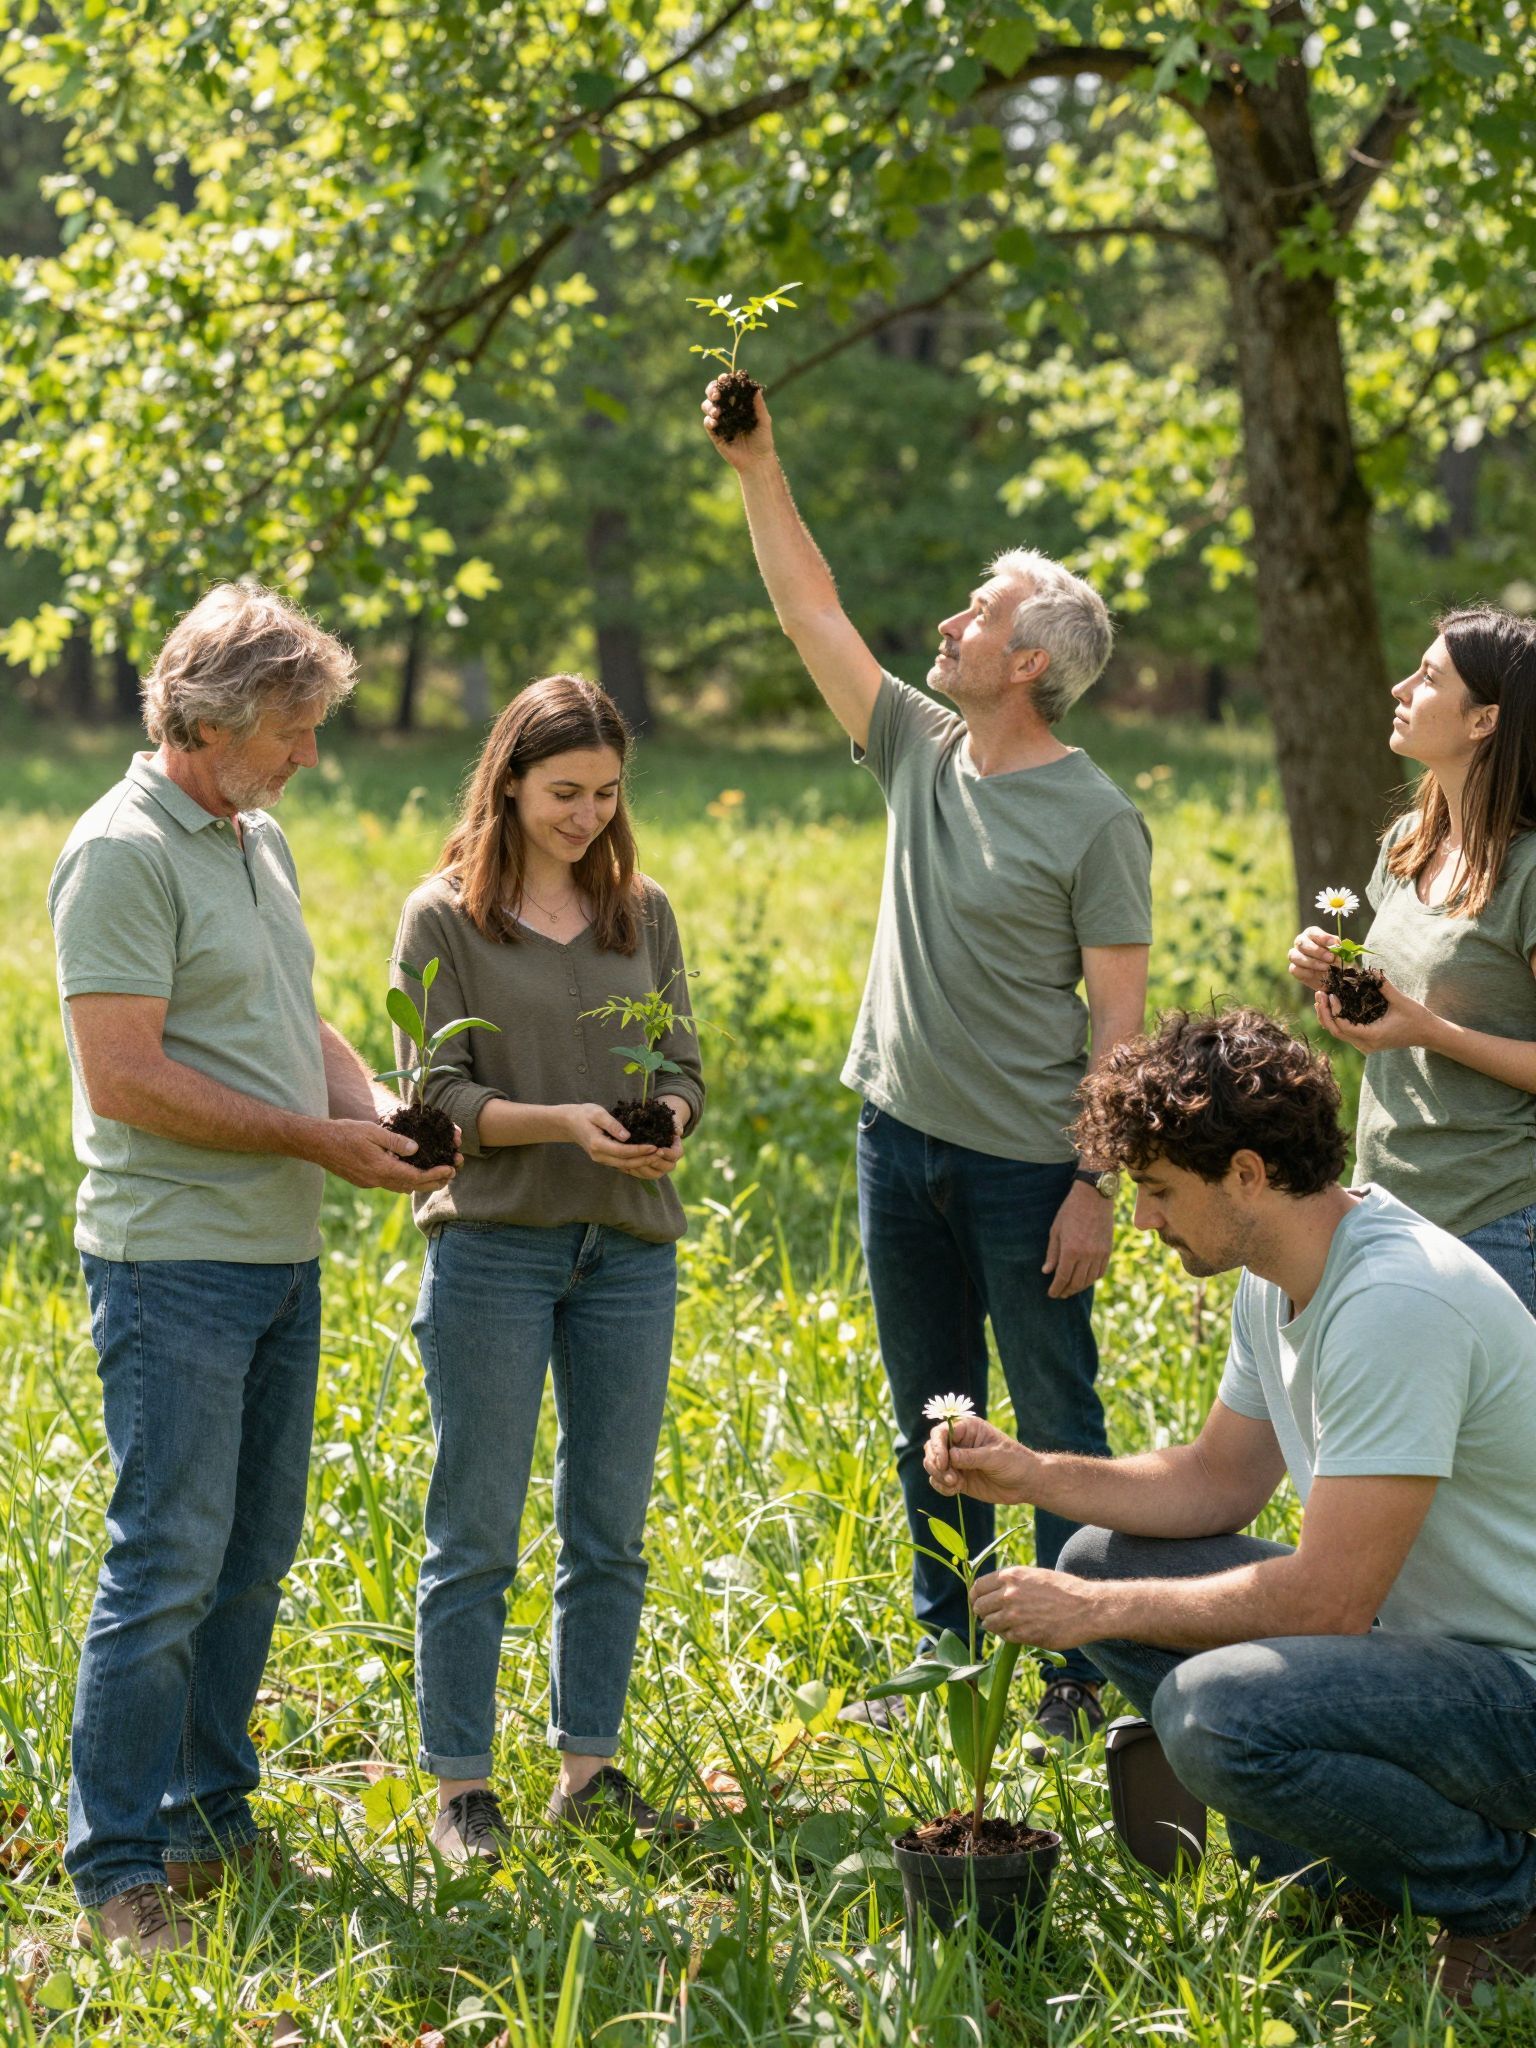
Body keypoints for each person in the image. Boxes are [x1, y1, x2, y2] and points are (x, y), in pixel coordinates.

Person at [925, 1006, 1536, 2005]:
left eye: (1161, 1191)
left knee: (1214, 1715)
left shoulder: (1394, 1301)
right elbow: (1216, 1478)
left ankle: (1502, 1899)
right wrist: (1033, 1472)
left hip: (1516, 1685)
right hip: (1429, 1655)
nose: (1146, 1218)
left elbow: (1328, 1599)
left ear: (1247, 1173)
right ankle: (1352, 1876)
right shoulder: (1282, 1272)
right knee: (1093, 1557)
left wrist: (1094, 1620)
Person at [704, 382, 1150, 1748]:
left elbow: (1123, 1027)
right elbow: (808, 612)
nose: (949, 626)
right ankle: (950, 1649)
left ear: (1031, 662)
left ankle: (1080, 1671)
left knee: (1057, 1411)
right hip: (896, 1144)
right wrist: (757, 461)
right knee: (934, 1412)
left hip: (1029, 1172)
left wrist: (1097, 1186)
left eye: (977, 615)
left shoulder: (1096, 817)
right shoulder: (916, 744)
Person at [48, 585, 456, 1957]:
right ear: (210, 719)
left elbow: (288, 1011)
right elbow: (126, 1080)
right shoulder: (120, 853)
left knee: (251, 1555)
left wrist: (369, 1107)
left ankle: (209, 1813)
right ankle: (117, 1866)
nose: (309, 755)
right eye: (293, 728)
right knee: (165, 1560)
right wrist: (320, 1141)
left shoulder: (250, 834)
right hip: (174, 1263)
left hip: (278, 1252)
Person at [392, 674, 705, 1865]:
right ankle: (462, 1786)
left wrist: (667, 1114)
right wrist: (564, 1120)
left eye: (607, 793)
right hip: (495, 1245)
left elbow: (683, 1060)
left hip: (625, 1247)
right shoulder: (444, 919)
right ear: (510, 779)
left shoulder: (642, 908)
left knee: (609, 1525)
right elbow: (436, 1098)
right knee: (475, 1524)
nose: (586, 814)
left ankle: (591, 1767)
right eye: (564, 791)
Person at [1289, 607, 1536, 1310]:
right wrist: (1337, 976)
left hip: (1499, 1223)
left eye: (1427, 678)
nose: (1400, 688)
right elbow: (1402, 1003)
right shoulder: (1409, 842)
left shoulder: (1529, 873)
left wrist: (1426, 1029)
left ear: (1483, 721)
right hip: (1387, 1203)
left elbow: (1428, 1020)